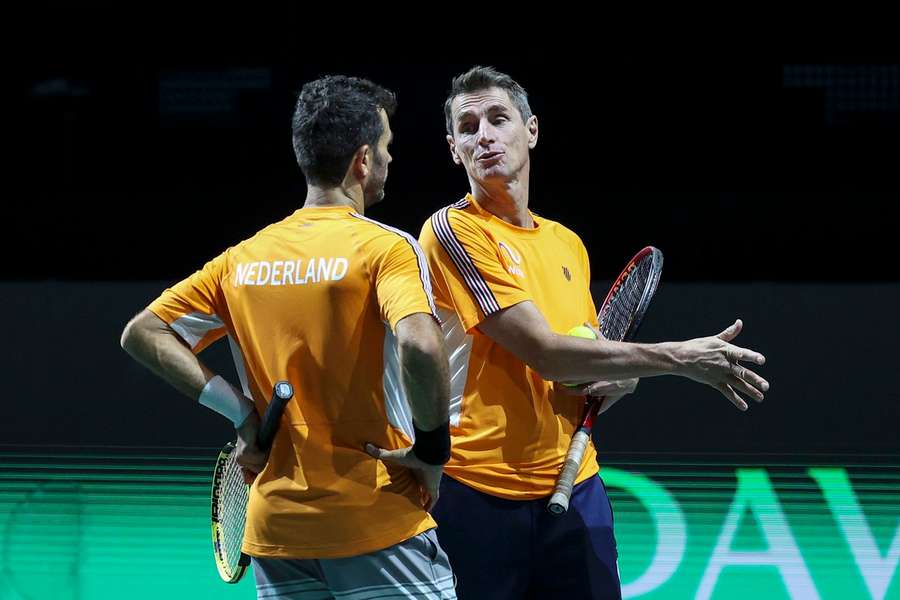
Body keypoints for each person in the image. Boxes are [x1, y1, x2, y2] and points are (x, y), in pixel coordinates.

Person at [393, 65, 767, 600]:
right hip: (478, 495)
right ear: (454, 149)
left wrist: (618, 382)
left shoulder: (568, 243)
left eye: (498, 118)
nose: (485, 135)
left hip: (576, 489)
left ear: (532, 131)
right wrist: (678, 360)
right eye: (468, 126)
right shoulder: (453, 231)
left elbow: (582, 373)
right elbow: (546, 355)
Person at [120, 75, 457, 600]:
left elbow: (142, 333)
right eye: (387, 148)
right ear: (362, 160)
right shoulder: (386, 249)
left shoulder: (243, 259)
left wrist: (242, 414)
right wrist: (433, 451)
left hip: (278, 535)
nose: (391, 161)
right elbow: (420, 343)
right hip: (375, 523)